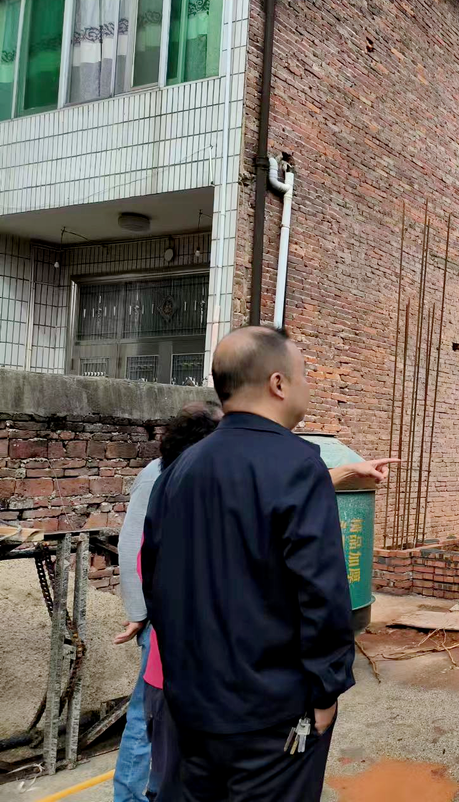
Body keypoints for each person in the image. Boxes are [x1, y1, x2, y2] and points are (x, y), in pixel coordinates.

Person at [142, 326, 392, 801]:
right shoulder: (298, 466)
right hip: (270, 717)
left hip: (191, 707)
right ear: (279, 384)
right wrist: (325, 693)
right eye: (304, 374)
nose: (307, 385)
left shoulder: (179, 470)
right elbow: (322, 593)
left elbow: (155, 580)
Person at [113, 402, 221, 802]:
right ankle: (128, 796)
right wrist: (140, 614)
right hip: (163, 619)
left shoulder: (197, 476)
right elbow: (132, 546)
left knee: (171, 719)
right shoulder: (157, 476)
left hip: (188, 617)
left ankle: (161, 789)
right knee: (146, 716)